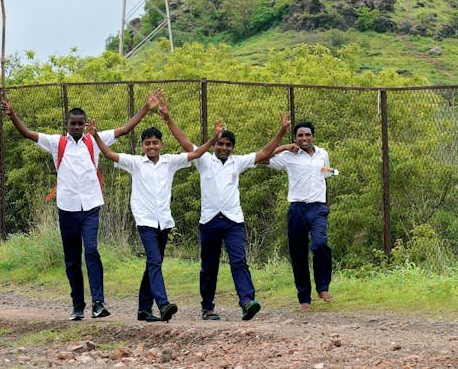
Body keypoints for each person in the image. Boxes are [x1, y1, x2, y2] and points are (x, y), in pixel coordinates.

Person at [1, 90, 161, 321]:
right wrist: (12, 114)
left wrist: (146, 108)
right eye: (73, 123)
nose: (76, 127)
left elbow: (125, 128)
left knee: (92, 251)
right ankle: (77, 306)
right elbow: (27, 133)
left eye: (80, 123)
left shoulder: (94, 140)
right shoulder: (57, 143)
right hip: (67, 208)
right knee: (72, 259)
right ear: (66, 124)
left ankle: (98, 302)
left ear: (85, 124)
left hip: (91, 206)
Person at [160, 102, 291, 321]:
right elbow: (184, 142)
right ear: (215, 145)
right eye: (220, 143)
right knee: (209, 266)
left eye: (228, 145)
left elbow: (265, 153)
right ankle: (207, 307)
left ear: (232, 147)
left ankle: (247, 301)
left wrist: (282, 131)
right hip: (210, 221)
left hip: (233, 221)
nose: (223, 148)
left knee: (239, 260)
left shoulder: (237, 163)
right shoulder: (204, 159)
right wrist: (168, 119)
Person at [90, 117, 224, 322]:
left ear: (161, 144)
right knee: (154, 261)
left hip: (164, 221)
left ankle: (144, 309)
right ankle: (163, 304)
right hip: (145, 221)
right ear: (142, 146)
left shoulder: (170, 161)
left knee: (154, 263)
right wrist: (96, 135)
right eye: (147, 143)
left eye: (155, 143)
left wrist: (214, 139)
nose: (151, 147)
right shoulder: (135, 163)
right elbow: (109, 154)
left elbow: (196, 153)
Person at [259, 120, 335, 312]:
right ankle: (304, 299)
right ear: (295, 138)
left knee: (320, 244)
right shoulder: (288, 156)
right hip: (297, 209)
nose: (304, 138)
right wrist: (283, 146)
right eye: (300, 135)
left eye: (307, 135)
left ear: (313, 137)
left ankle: (323, 288)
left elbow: (325, 174)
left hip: (318, 207)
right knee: (298, 253)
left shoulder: (322, 154)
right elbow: (261, 158)